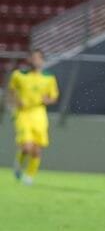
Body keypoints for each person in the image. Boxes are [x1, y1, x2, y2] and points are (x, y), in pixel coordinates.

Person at [7, 49, 59, 185]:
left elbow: (54, 97)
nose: (35, 61)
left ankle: (29, 176)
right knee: (26, 147)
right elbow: (11, 91)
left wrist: (48, 100)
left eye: (38, 58)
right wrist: (15, 102)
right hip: (23, 113)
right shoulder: (18, 75)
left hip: (39, 114)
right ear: (28, 60)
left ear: (42, 61)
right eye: (33, 58)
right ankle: (19, 164)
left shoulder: (49, 78)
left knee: (36, 149)